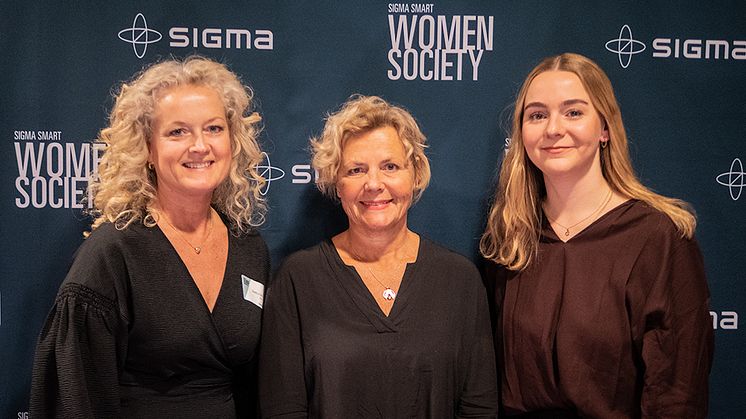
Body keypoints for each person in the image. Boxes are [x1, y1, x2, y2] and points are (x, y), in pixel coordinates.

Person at [29, 56, 269, 418]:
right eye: (178, 132)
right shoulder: (112, 254)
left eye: (214, 129)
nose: (200, 145)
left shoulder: (249, 248)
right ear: (148, 150)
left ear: (233, 142)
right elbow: (76, 400)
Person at [480, 53, 713, 418]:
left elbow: (677, 396)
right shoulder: (511, 238)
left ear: (604, 128)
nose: (553, 129)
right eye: (537, 115)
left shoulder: (658, 239)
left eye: (573, 112)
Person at [259, 95, 498, 418]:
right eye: (356, 170)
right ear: (337, 183)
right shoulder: (298, 279)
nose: (374, 184)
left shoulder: (460, 280)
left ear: (414, 176)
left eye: (390, 167)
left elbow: (478, 407)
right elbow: (282, 409)